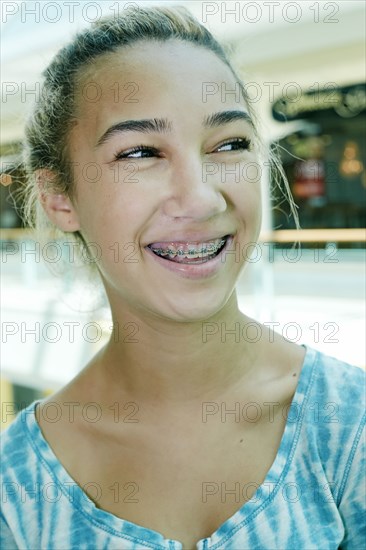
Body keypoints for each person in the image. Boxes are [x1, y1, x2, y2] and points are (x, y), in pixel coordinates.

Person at [1, 5, 365, 550]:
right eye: (141, 152)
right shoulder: (17, 487)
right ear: (59, 197)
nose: (200, 198)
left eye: (229, 144)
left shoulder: (350, 427)